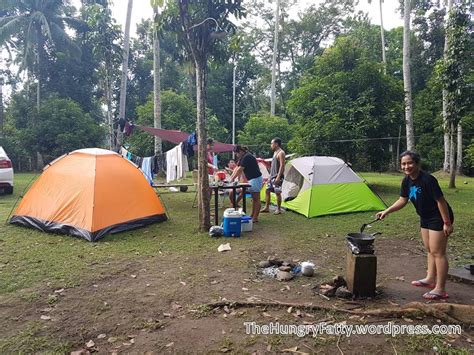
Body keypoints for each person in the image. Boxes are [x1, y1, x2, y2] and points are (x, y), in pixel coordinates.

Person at [376, 151, 454, 301]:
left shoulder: (428, 180)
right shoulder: (406, 181)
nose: (406, 166)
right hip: (425, 217)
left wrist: (447, 223)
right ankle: (430, 279)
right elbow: (403, 200)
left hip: (439, 217)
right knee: (430, 250)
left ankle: (440, 289)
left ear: (417, 164)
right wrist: (387, 211)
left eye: (410, 163)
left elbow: (441, 201)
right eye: (403, 164)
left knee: (439, 253)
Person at [230, 145, 263, 223]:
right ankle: (252, 215)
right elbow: (236, 168)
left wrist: (232, 179)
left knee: (256, 198)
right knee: (254, 199)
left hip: (256, 178)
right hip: (251, 179)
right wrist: (231, 178)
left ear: (240, 151)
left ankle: (255, 217)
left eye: (236, 153)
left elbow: (240, 170)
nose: (236, 155)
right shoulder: (242, 157)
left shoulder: (247, 157)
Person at [261, 138, 286, 214]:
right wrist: (269, 177)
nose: (271, 145)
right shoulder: (275, 152)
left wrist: (278, 177)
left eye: (272, 143)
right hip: (272, 176)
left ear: (276, 144)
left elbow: (282, 166)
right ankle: (266, 207)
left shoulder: (281, 153)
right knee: (267, 191)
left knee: (277, 192)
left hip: (277, 176)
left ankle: (278, 209)